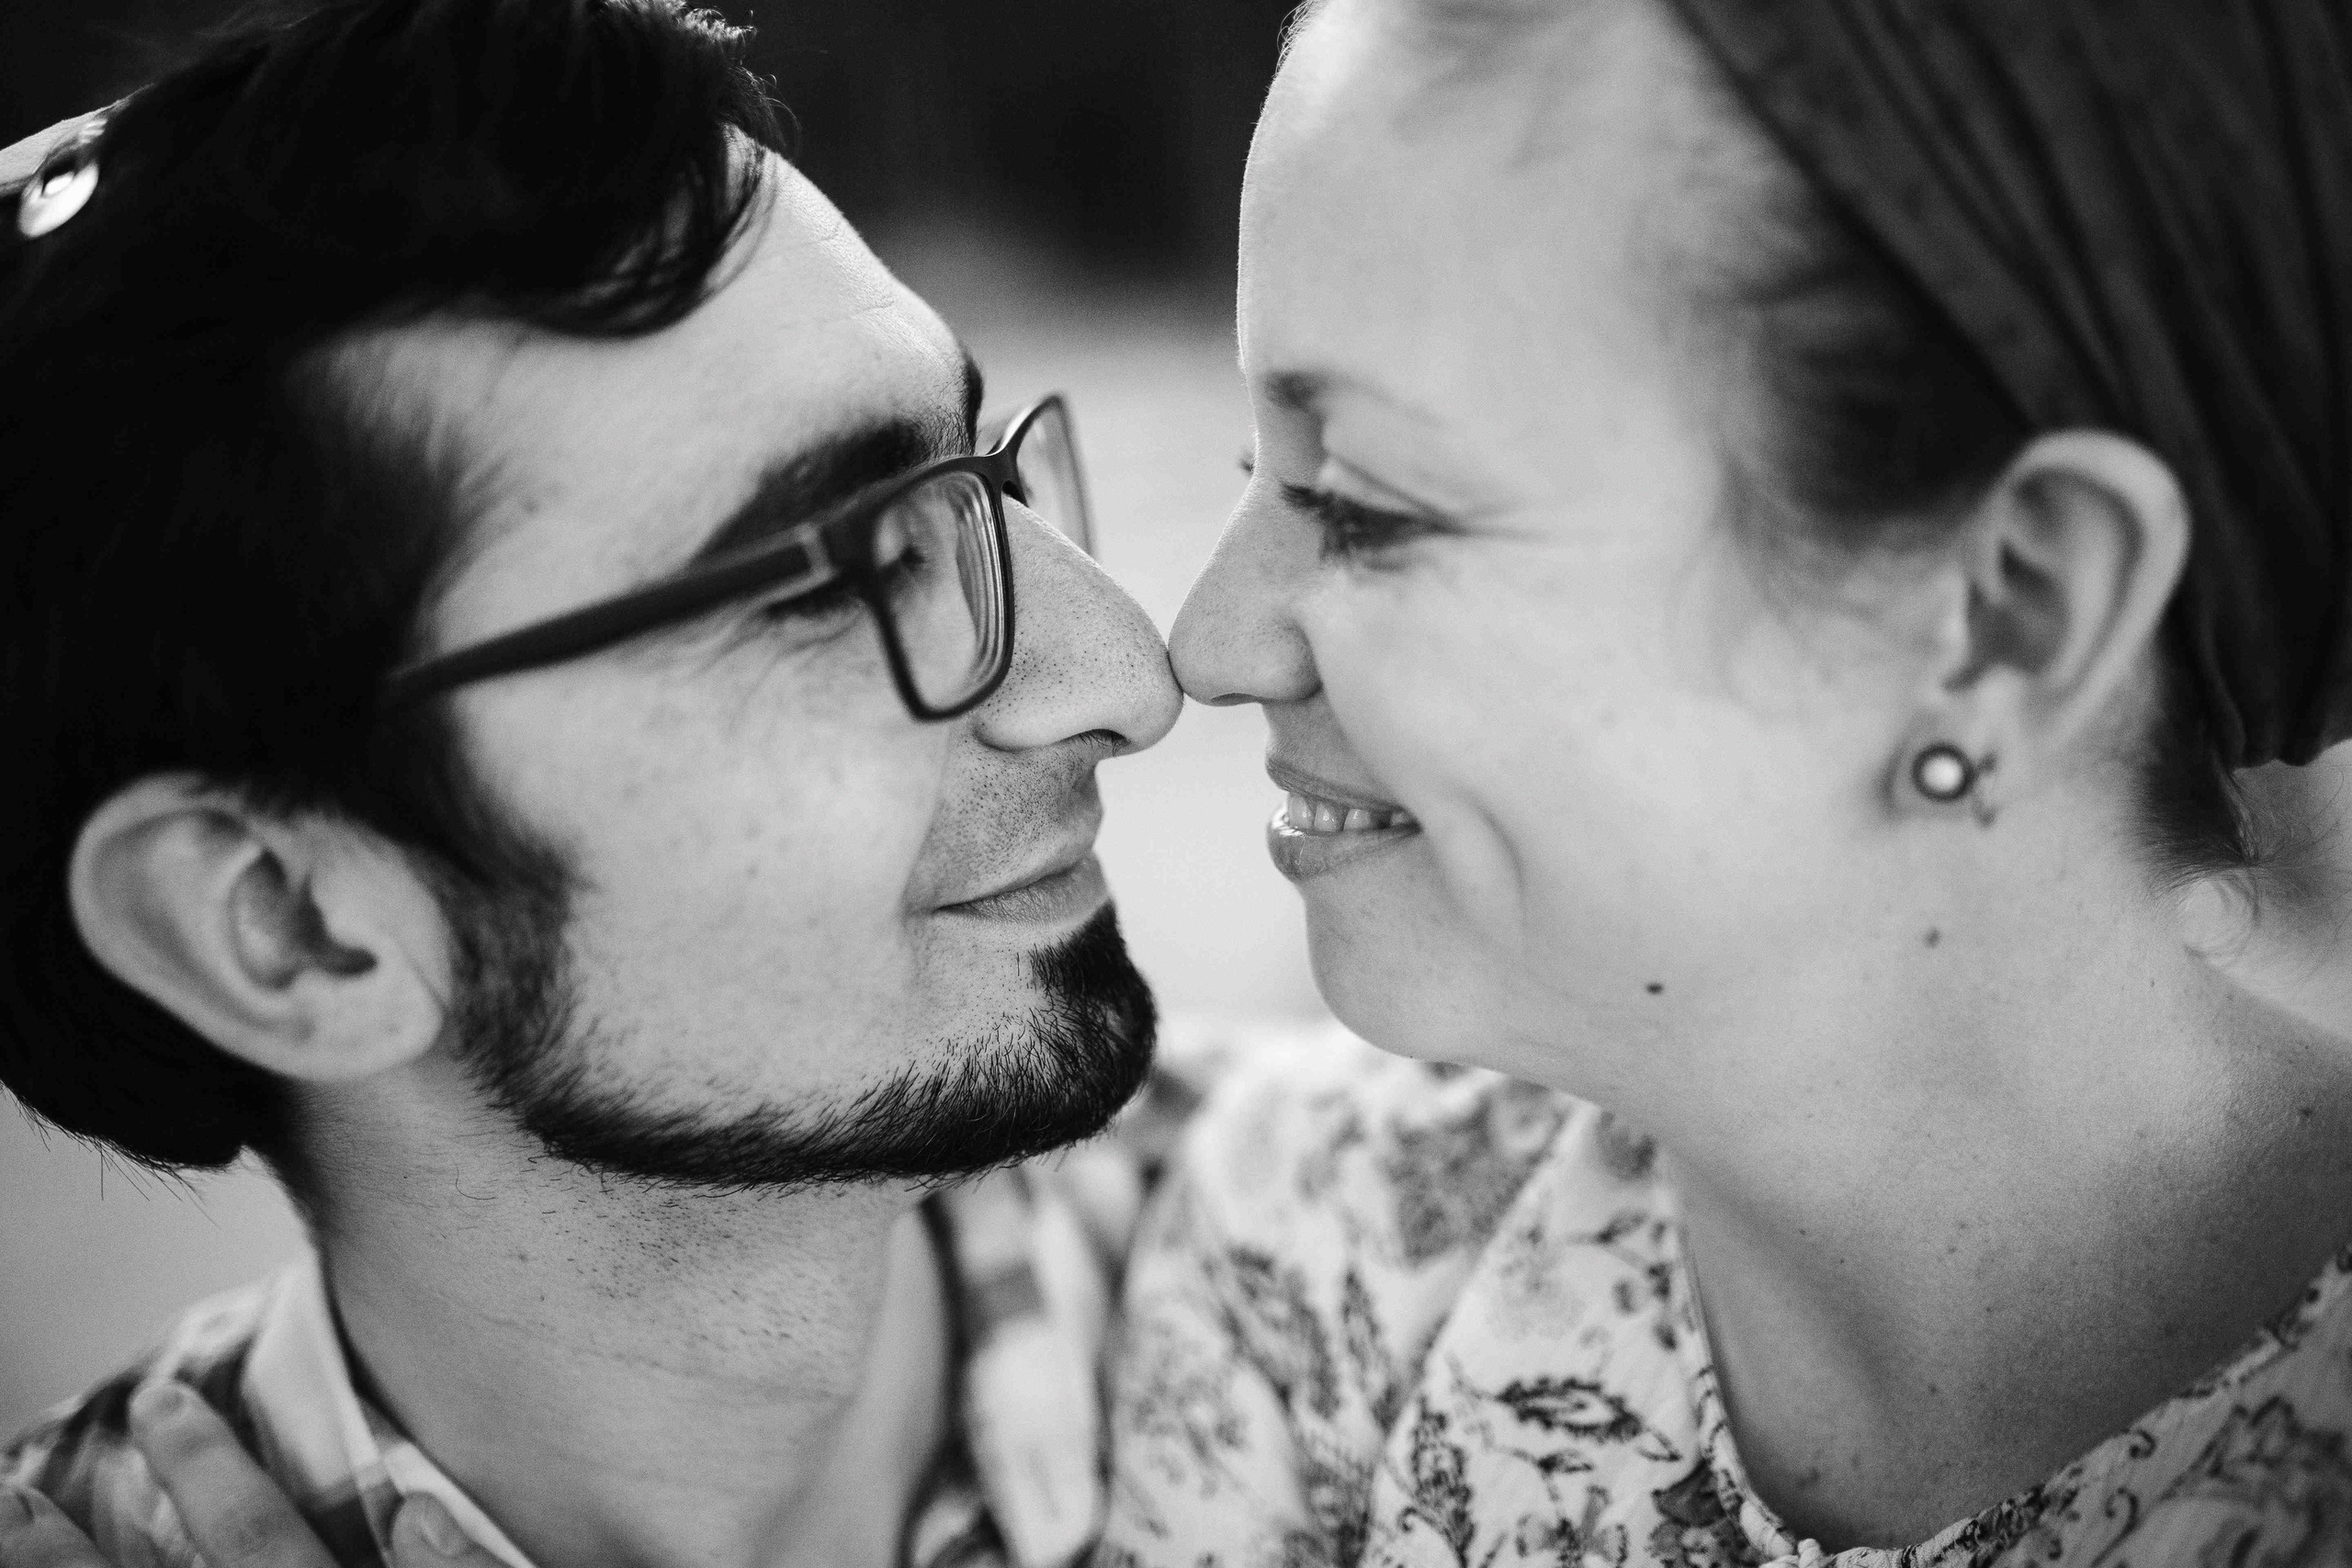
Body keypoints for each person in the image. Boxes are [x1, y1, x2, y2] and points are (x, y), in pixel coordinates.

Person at [1099, 0, 2352, 1563]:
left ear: (2010, 617)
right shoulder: (1311, 1273)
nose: (1204, 650)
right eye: (1250, 475)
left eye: (1358, 502)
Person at [0, 2, 1186, 1566]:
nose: (1126, 678)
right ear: (290, 925)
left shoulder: (1442, 1260)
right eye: (826, 583)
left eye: (985, 481)